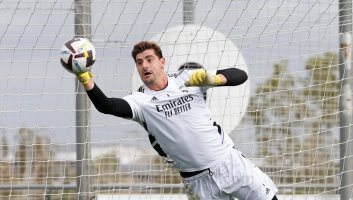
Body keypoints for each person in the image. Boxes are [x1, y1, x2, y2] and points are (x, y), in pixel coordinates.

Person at [74, 41, 278, 200]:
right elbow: (106, 106)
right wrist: (85, 77)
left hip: (230, 163)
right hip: (198, 181)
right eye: (139, 62)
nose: (144, 65)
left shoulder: (187, 79)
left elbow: (240, 75)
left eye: (149, 59)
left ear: (162, 62)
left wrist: (216, 79)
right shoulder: (140, 101)